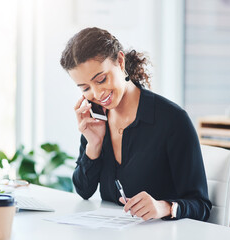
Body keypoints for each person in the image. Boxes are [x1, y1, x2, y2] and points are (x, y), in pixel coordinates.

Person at [60, 27, 211, 221]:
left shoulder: (173, 120)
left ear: (120, 62)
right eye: (85, 88)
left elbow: (201, 206)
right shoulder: (96, 119)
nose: (97, 94)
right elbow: (84, 190)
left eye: (101, 79)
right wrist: (94, 145)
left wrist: (164, 207)